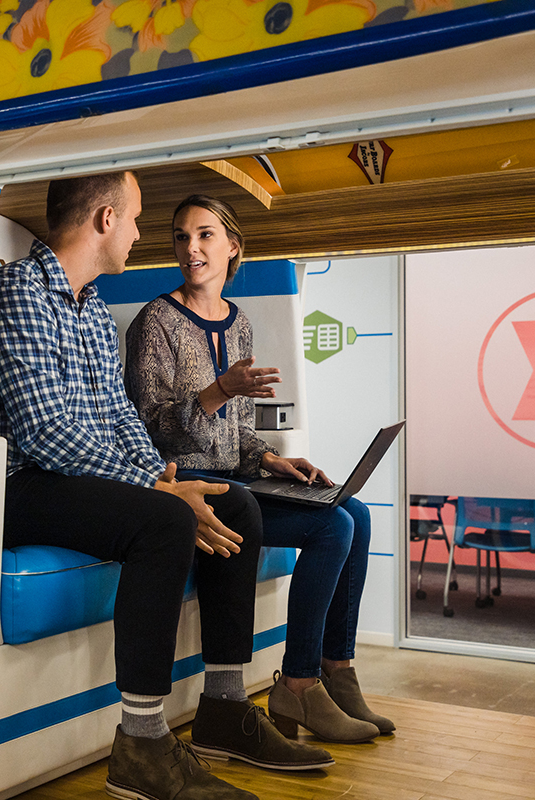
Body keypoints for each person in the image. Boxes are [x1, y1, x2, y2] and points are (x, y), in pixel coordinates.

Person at [0, 173, 334, 800]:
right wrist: (158, 490)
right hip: (20, 482)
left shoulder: (86, 307)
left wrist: (165, 476)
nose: (143, 235)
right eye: (139, 220)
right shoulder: (16, 289)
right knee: (164, 520)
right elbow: (44, 429)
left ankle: (223, 709)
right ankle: (141, 743)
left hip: (76, 475)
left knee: (235, 503)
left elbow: (117, 416)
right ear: (106, 219)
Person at [124, 194, 394, 746]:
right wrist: (218, 391)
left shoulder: (239, 324)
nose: (190, 247)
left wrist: (271, 459)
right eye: (181, 236)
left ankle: (337, 671)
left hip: (241, 478)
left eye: (203, 235)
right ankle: (296, 685)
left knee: (357, 514)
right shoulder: (155, 321)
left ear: (232, 247)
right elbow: (148, 428)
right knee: (334, 526)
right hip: (193, 487)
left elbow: (239, 431)